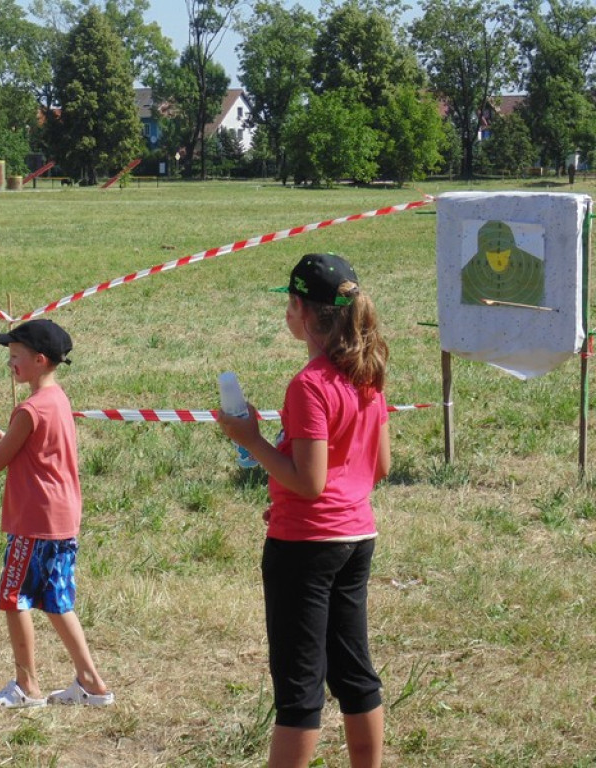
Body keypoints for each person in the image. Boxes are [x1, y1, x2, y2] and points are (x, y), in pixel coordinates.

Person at [218, 253, 390, 768]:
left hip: (305, 547)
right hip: (357, 537)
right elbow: (379, 466)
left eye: (288, 305)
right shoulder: (368, 374)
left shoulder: (309, 385)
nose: (286, 315)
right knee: (355, 674)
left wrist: (249, 439)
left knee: (299, 688)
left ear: (301, 309)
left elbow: (309, 482)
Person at [0, 319, 113, 709]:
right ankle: (92, 683)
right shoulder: (57, 399)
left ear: (39, 359)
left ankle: (26, 687)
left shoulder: (30, 408)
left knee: (14, 597)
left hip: (35, 521)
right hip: (61, 518)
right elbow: (35, 448)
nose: (10, 364)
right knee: (56, 600)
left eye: (15, 357)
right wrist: (8, 436)